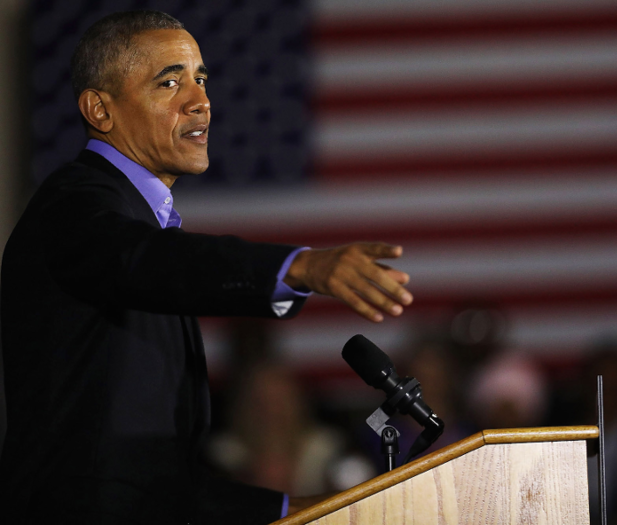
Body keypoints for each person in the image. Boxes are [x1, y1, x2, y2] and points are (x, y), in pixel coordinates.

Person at [0, 10, 412, 525]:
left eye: (200, 79)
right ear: (99, 110)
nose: (200, 102)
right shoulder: (75, 207)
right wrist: (299, 267)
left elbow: (158, 485)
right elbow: (147, 261)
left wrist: (315, 511)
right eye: (169, 82)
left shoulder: (136, 220)